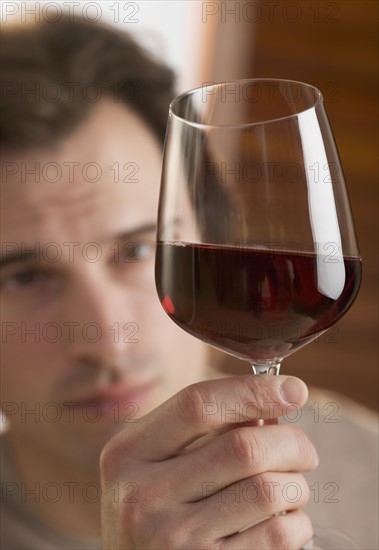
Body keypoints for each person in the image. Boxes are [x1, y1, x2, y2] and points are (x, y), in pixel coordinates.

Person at [0, 16, 377, 550]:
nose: (109, 339)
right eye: (25, 277)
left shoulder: (368, 464)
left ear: (212, 232)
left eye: (135, 250)